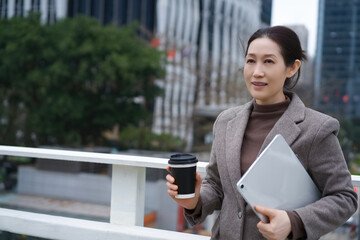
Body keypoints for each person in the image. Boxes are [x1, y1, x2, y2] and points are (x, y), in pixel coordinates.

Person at [166, 26, 358, 240]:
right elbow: (218, 186)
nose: (257, 71)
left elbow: (344, 198)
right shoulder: (226, 121)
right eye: (250, 60)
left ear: (292, 68)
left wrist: (293, 220)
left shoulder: (317, 129)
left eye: (269, 61)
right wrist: (195, 200)